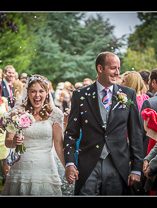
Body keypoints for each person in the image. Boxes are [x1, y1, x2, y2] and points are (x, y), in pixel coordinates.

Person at [64, 51, 143, 195]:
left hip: (117, 164)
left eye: (118, 68)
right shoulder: (80, 95)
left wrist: (137, 167)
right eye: (113, 68)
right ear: (100, 69)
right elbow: (71, 133)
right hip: (88, 165)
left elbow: (135, 133)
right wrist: (69, 163)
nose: (117, 73)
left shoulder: (128, 94)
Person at [1, 75, 65, 195]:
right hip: (21, 167)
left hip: (45, 168)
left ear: (47, 92)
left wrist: (68, 167)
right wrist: (14, 141)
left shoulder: (55, 114)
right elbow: (7, 141)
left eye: (41, 91)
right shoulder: (17, 112)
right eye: (33, 91)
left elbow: (59, 145)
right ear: (27, 93)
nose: (37, 95)